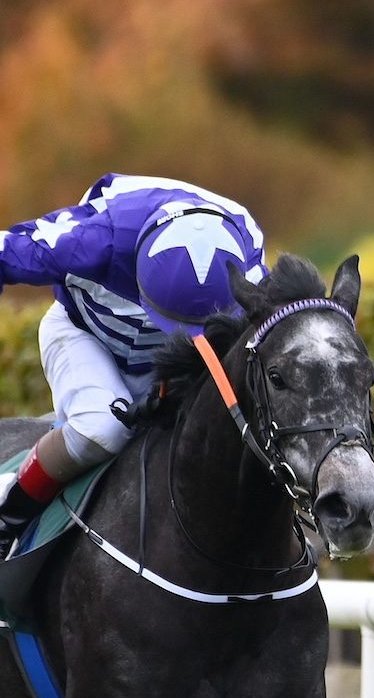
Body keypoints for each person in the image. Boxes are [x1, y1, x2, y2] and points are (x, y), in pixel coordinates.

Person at [0, 173, 267, 553]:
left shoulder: (251, 262)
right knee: (102, 429)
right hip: (85, 335)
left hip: (179, 358)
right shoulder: (90, 239)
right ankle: (9, 514)